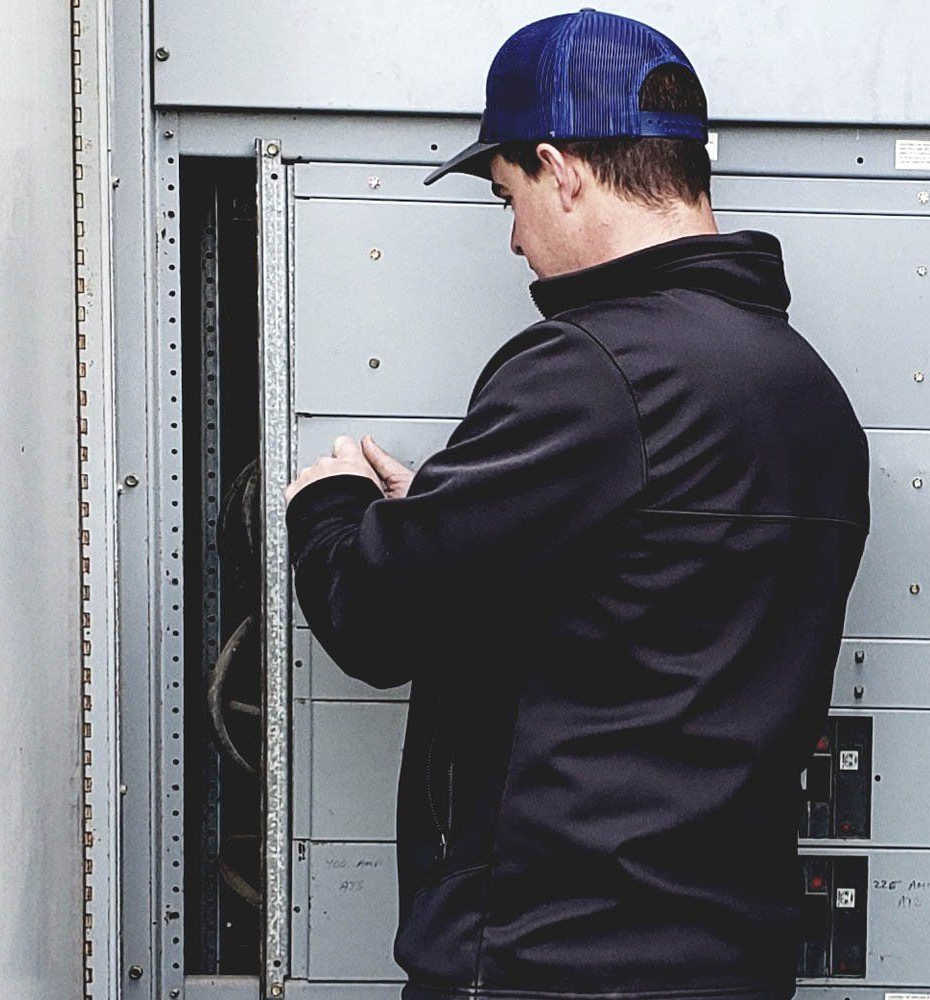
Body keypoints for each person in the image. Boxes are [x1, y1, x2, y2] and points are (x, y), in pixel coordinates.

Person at [283, 9, 869, 1000]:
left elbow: (372, 621)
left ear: (560, 169)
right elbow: (649, 592)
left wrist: (330, 502)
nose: (512, 239)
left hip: (550, 958)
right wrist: (449, 504)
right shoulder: (804, 389)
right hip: (725, 959)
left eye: (507, 196)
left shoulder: (589, 370)